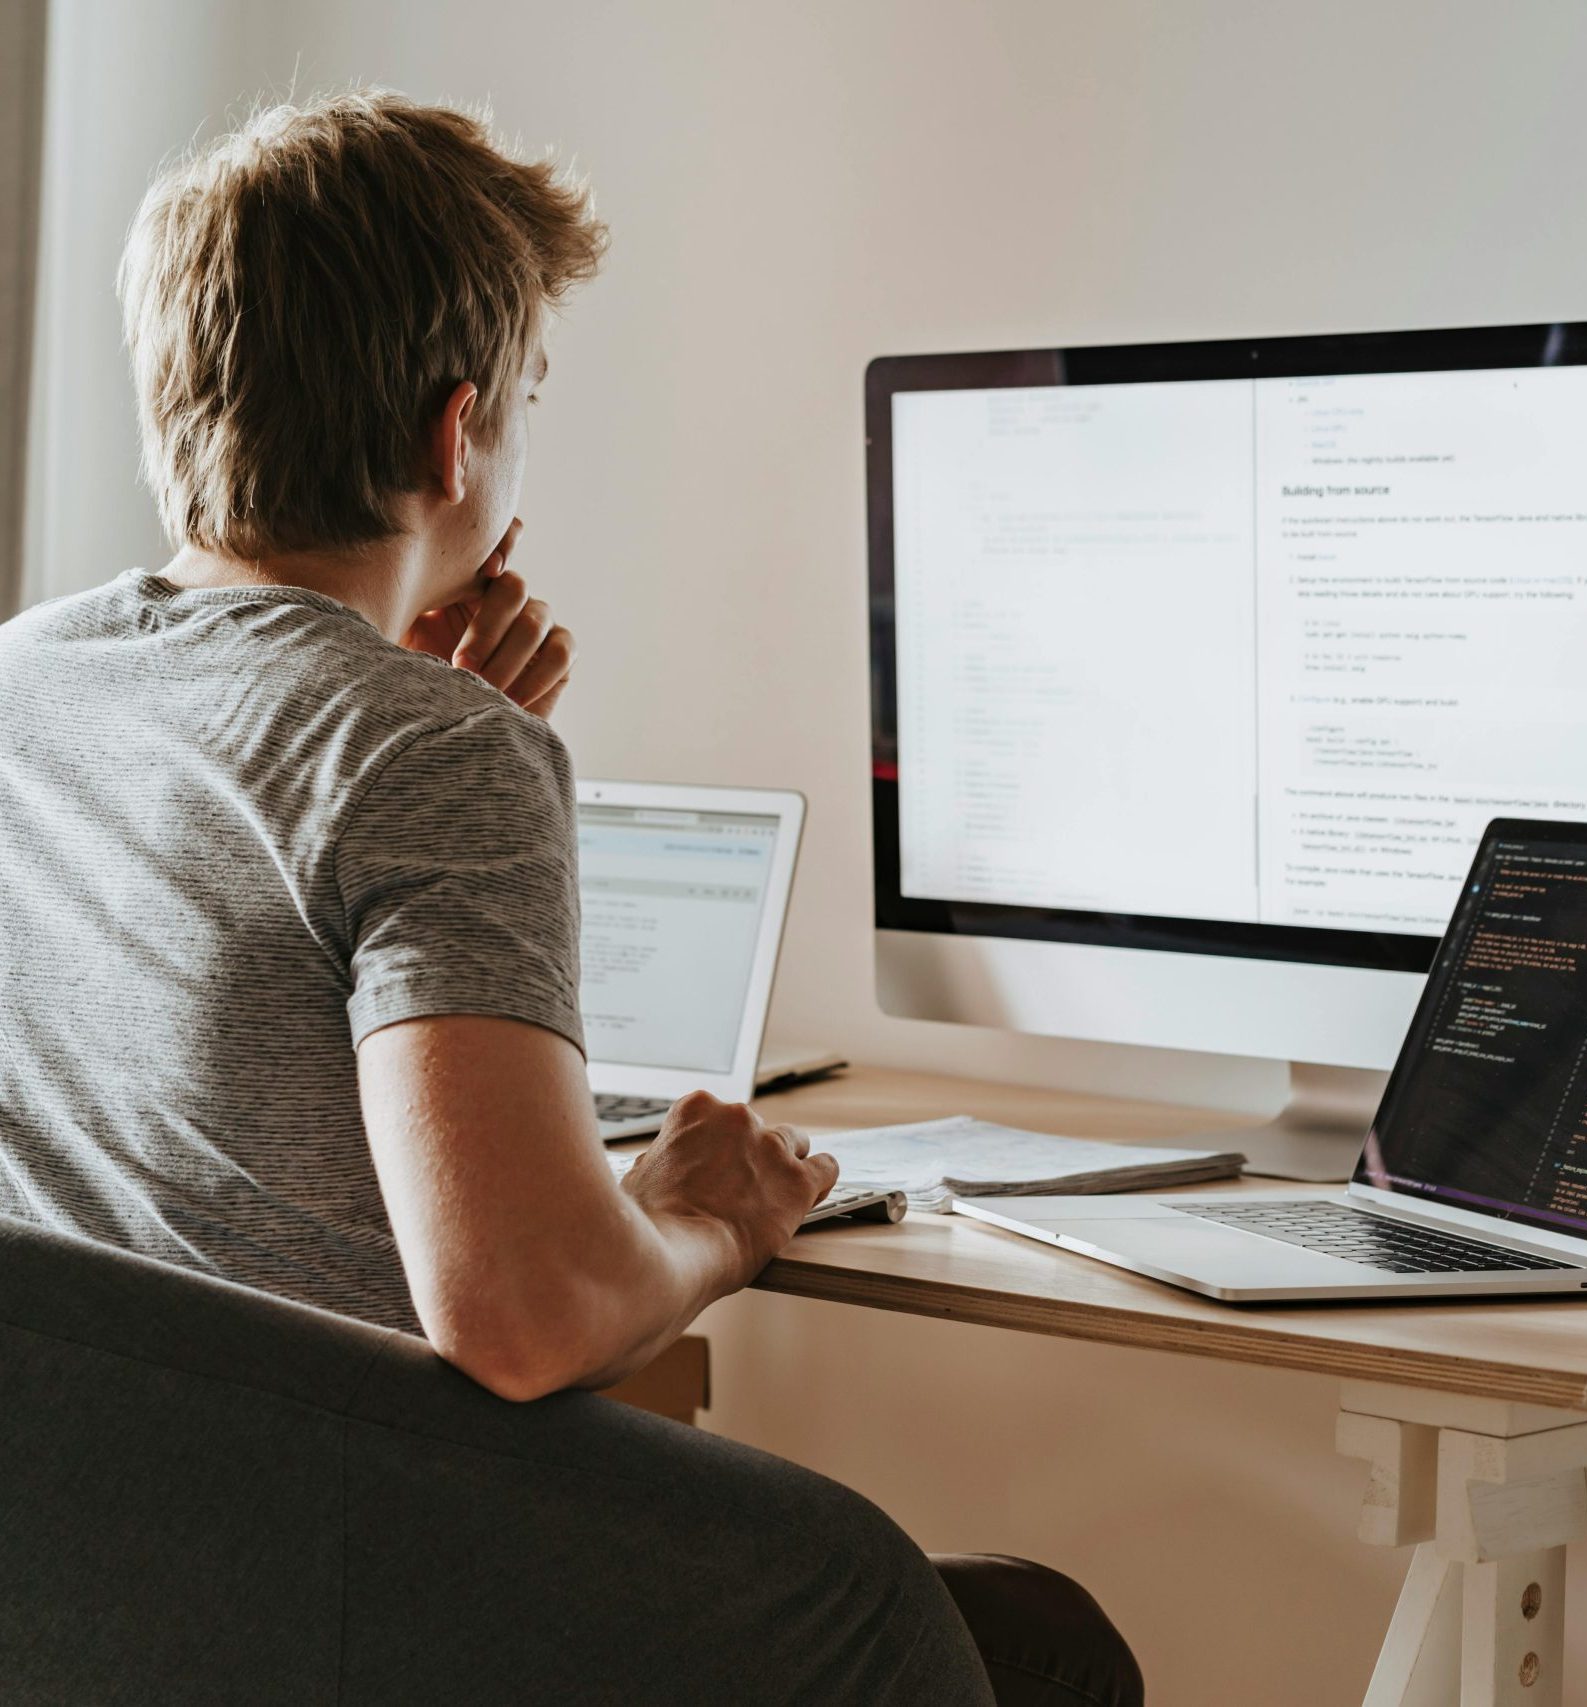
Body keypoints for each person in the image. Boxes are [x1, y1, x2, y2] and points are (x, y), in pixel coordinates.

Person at [0, 89, 1142, 1706]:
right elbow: (523, 1314)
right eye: (528, 397)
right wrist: (704, 1216)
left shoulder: (24, 682)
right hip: (349, 1583)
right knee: (1022, 1642)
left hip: (84, 1595)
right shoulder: (427, 750)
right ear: (455, 434)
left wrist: (408, 721)